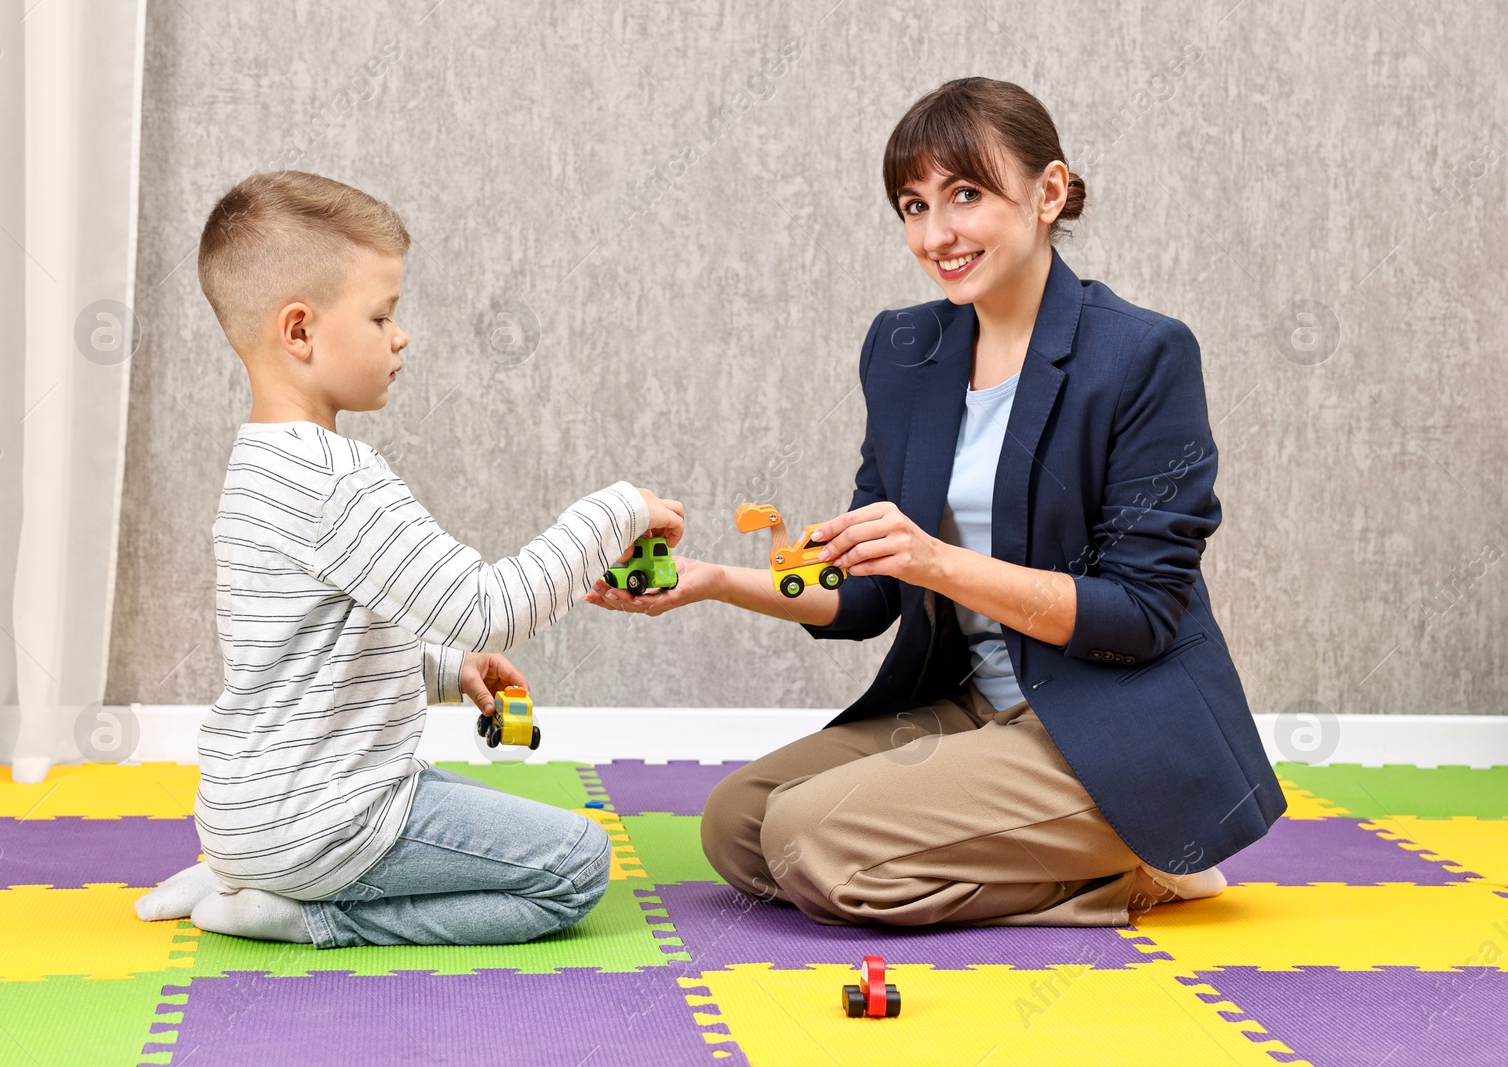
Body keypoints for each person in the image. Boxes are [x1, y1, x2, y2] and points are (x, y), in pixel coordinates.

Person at [587, 77, 1285, 928]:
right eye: (913, 205)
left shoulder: (1142, 355)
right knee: (738, 826)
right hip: (972, 706)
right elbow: (872, 592)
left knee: (810, 840)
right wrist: (712, 580)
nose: (936, 233)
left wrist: (938, 559)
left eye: (965, 195)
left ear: (1048, 193)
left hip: (1106, 724)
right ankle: (1052, 858)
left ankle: (1134, 860)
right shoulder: (903, 349)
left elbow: (1140, 613)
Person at [131, 170, 684, 946]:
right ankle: (306, 914)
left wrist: (442, 667)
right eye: (382, 314)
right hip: (327, 822)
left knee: (441, 800)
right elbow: (492, 606)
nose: (401, 335)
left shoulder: (256, 466)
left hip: (245, 809)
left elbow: (304, 649)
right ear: (300, 332)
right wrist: (617, 508)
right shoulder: (337, 479)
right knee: (577, 865)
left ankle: (244, 870)